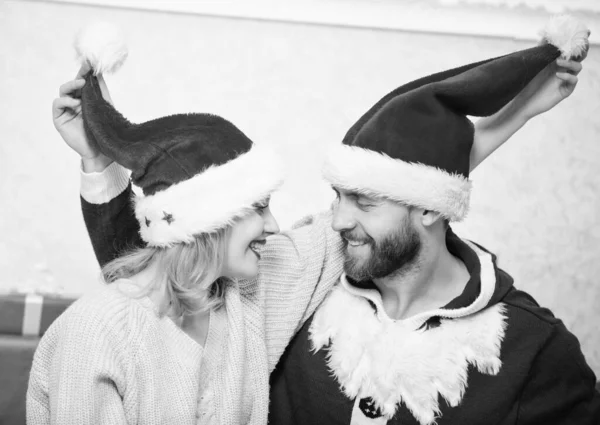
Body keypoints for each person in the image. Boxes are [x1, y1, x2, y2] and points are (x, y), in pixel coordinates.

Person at [31, 17, 593, 425]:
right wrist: (99, 163)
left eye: (362, 200)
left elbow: (416, 182)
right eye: (257, 208)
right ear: (202, 227)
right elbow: (131, 296)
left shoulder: (257, 300)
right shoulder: (104, 334)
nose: (284, 225)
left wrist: (513, 115)